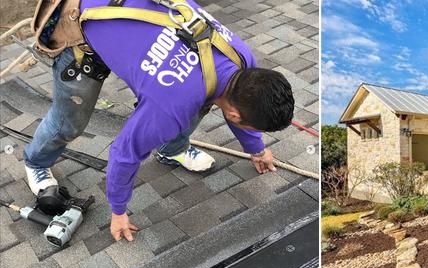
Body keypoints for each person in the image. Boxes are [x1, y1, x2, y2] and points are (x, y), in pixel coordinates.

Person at [24, 0, 294, 241]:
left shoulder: (243, 60)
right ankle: (36, 161)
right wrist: (118, 211)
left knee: (204, 97)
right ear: (235, 116)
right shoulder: (172, 105)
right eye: (251, 126)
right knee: (69, 122)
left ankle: (172, 150)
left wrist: (256, 149)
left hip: (133, 28)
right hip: (80, 26)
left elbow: (236, 104)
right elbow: (124, 153)